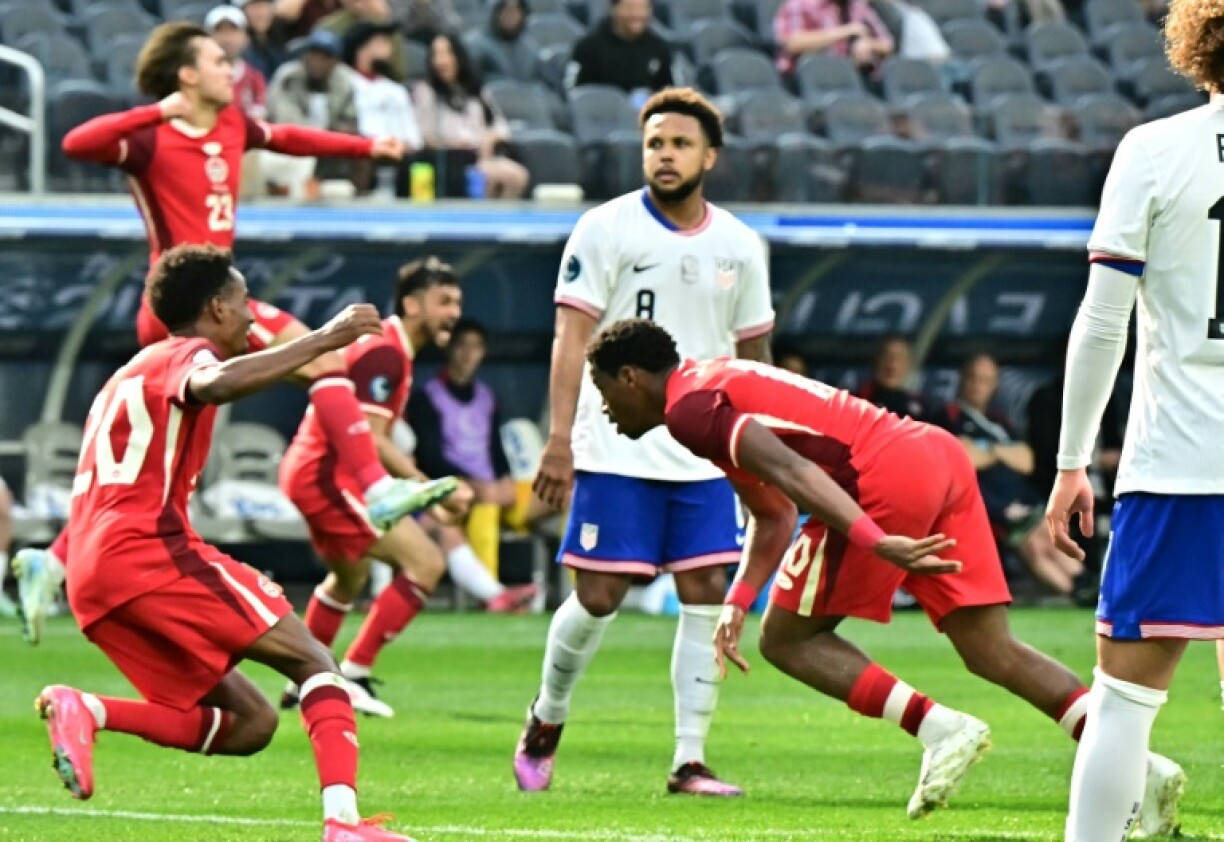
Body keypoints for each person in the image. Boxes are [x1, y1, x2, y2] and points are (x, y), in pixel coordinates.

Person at [585, 318, 1185, 830]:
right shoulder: (709, 383)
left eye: (603, 391)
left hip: (878, 479)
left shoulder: (689, 411)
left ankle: (939, 728)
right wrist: (737, 599)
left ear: (631, 377)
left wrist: (876, 539)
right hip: (933, 453)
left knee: (788, 639)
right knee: (990, 649)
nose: (606, 411)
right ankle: (1139, 766)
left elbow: (794, 473)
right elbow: (773, 514)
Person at [16, 22, 450, 648]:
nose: (233, 68)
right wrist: (155, 110)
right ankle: (376, 488)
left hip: (221, 306)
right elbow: (78, 142)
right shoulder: (152, 138)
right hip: (184, 310)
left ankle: (53, 560)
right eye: (219, 60)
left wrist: (363, 148)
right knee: (325, 355)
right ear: (187, 74)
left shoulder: (233, 125)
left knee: (171, 464)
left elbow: (293, 139)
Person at [35, 243, 416, 842]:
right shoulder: (188, 356)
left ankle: (88, 709)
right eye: (244, 306)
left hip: (91, 572)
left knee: (252, 723)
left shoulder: (127, 373)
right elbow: (210, 384)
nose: (251, 318)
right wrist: (324, 338)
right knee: (314, 660)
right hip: (148, 552)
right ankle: (344, 825)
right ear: (216, 308)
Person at [513, 87, 775, 797]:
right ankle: (547, 715)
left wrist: (760, 453)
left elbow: (757, 359)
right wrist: (559, 438)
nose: (665, 155)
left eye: (680, 144)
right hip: (614, 445)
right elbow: (571, 339)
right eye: (655, 143)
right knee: (599, 594)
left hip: (703, 452)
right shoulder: (605, 228)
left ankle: (689, 760)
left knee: (704, 589)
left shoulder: (740, 246)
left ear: (709, 157)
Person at [1046, 0, 1223, 835]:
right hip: (1177, 463)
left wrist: (1070, 462)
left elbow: (1102, 320)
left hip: (1177, 466)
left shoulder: (1152, 150)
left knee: (1122, 700)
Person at [278, 257, 471, 717]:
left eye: (457, 303)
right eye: (443, 302)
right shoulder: (385, 351)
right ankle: (356, 672)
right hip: (326, 475)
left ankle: (300, 682)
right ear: (411, 304)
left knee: (350, 577)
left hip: (314, 472)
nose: (453, 313)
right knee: (425, 562)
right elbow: (371, 433)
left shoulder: (388, 348)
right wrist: (431, 490)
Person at [409, 318, 540, 613]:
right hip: (453, 491)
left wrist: (505, 477)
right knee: (485, 503)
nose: (469, 354)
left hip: (491, 487)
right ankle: (494, 597)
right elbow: (429, 456)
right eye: (462, 346)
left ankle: (580, 594)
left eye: (476, 347)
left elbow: (493, 447)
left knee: (561, 495)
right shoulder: (426, 397)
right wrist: (473, 484)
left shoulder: (486, 397)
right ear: (450, 349)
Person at [932, 353, 1084, 596]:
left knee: (1050, 535)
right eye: (973, 378)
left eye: (985, 380)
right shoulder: (947, 417)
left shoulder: (999, 422)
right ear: (962, 379)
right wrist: (1002, 452)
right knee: (1035, 543)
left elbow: (1026, 461)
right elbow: (964, 457)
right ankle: (1076, 590)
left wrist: (989, 450)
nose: (977, 385)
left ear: (993, 385)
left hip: (1022, 499)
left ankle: (1082, 584)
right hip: (987, 507)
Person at [413, 33, 529, 199]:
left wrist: (490, 140)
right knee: (485, 178)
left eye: (447, 53)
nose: (441, 61)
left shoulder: (476, 91)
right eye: (436, 55)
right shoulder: (427, 92)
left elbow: (500, 126)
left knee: (517, 176)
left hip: (480, 157)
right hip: (450, 159)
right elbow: (425, 134)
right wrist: (450, 143)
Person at [568, 0, 673, 95]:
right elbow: (577, 94)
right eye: (630, 7)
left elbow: (669, 91)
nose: (637, 14)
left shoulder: (659, 48)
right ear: (614, 9)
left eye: (644, 7)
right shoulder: (588, 48)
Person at [773, 0, 895, 76]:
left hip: (846, 77)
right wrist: (845, 32)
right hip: (800, 81)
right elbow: (792, 43)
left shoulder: (856, 7)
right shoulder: (800, 4)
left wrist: (870, 45)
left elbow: (888, 43)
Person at [206, 4, 268, 120]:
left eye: (233, 31)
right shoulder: (200, 77)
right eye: (219, 31)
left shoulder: (255, 77)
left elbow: (260, 117)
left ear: (245, 38)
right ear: (208, 37)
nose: (226, 38)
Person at [856, 335, 928, 421]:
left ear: (908, 365)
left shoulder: (921, 407)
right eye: (887, 357)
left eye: (899, 358)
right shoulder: (856, 403)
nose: (892, 366)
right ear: (875, 362)